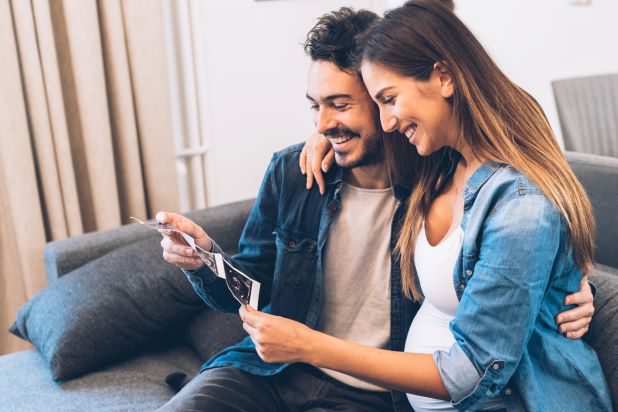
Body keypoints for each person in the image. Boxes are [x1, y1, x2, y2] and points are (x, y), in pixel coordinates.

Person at [157, 5, 594, 412]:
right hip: (274, 371)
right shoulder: (295, 172)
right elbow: (255, 287)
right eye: (315, 106)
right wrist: (206, 261)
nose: (324, 123)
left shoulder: (436, 176)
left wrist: (569, 285)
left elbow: (521, 225)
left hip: (376, 393)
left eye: (342, 104)